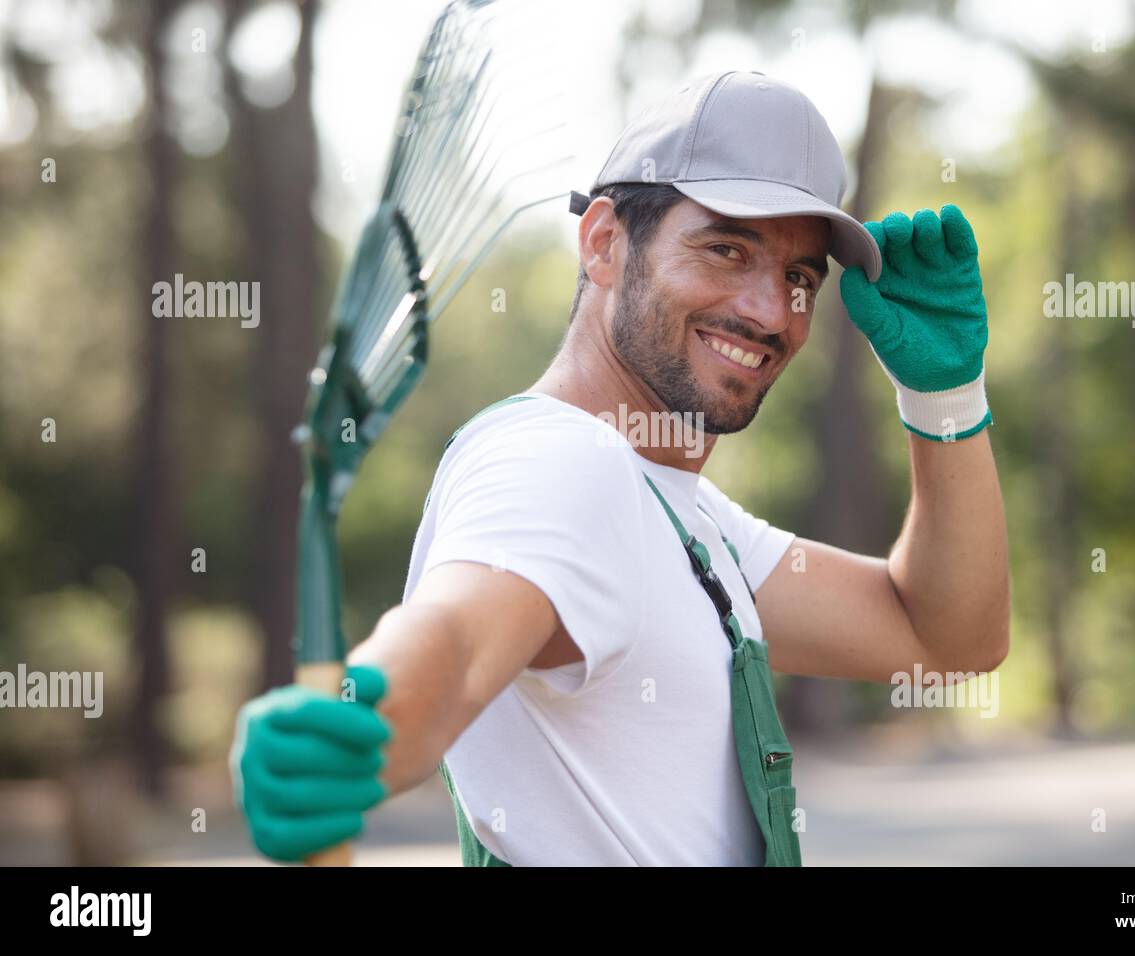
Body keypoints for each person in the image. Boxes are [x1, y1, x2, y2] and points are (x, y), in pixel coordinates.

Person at [230, 70, 1010, 866]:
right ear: (604, 243)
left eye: (798, 277)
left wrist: (943, 399)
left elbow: (944, 639)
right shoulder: (560, 461)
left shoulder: (684, 515)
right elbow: (458, 642)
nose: (771, 311)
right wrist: (355, 720)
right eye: (725, 248)